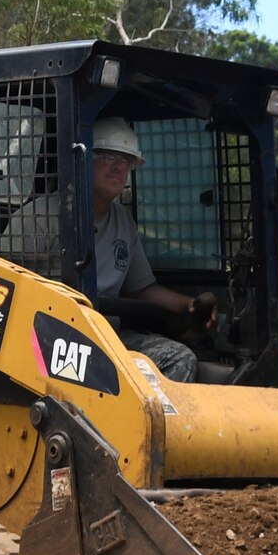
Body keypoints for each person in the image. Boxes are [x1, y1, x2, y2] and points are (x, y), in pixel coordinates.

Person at [90, 117, 219, 383]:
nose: (117, 166)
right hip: (55, 336)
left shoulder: (122, 222)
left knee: (178, 357)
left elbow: (142, 289)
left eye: (125, 160)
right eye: (107, 156)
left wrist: (190, 306)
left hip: (108, 335)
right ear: (83, 159)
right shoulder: (41, 217)